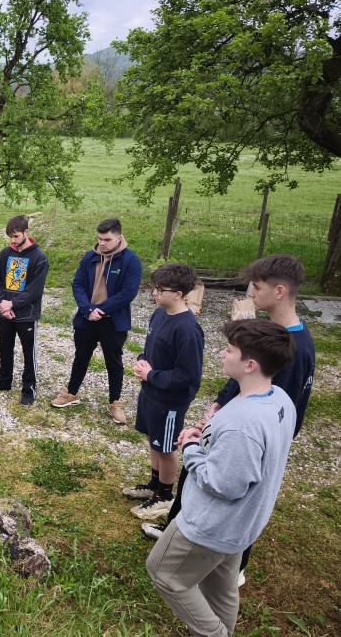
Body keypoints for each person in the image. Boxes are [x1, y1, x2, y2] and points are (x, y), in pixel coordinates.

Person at [143, 255, 315, 585]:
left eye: (257, 287)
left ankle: (232, 568)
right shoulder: (269, 333)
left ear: (279, 291)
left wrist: (232, 429)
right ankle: (176, 532)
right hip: (227, 424)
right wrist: (218, 405)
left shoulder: (295, 347)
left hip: (242, 437)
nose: (251, 293)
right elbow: (241, 378)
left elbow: (282, 411)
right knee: (194, 480)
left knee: (235, 494)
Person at [146, 318, 296, 637]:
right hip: (242, 524)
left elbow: (225, 484)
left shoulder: (244, 422)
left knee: (163, 572)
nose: (221, 354)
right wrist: (205, 437)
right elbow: (243, 456)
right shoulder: (280, 399)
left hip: (210, 525)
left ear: (250, 364)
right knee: (221, 587)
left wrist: (191, 449)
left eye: (229, 350)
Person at [122, 263, 204, 522]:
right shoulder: (159, 314)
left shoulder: (188, 329)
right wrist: (142, 361)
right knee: (153, 439)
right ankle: (154, 484)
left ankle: (165, 496)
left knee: (167, 448)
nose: (154, 293)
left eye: (160, 289)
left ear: (179, 294)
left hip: (170, 401)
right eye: (153, 288)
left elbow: (188, 375)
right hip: (151, 392)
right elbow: (151, 350)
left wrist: (152, 376)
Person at [52, 218, 142, 424]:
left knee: (114, 362)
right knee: (81, 357)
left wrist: (102, 310)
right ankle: (71, 393)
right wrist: (87, 309)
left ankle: (115, 402)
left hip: (112, 321)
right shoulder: (90, 257)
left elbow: (128, 292)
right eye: (99, 239)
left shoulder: (130, 260)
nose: (102, 243)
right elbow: (77, 284)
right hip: (87, 318)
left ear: (118, 238)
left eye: (107, 240)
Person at [0, 215, 49, 406]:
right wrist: (2, 304)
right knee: (5, 348)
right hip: (4, 312)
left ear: (26, 232)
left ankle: (29, 389)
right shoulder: (5, 254)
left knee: (29, 353)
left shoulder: (39, 257)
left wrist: (12, 304)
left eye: (16, 236)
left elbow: (34, 290)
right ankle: (4, 382)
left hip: (26, 315)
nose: (12, 240)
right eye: (10, 236)